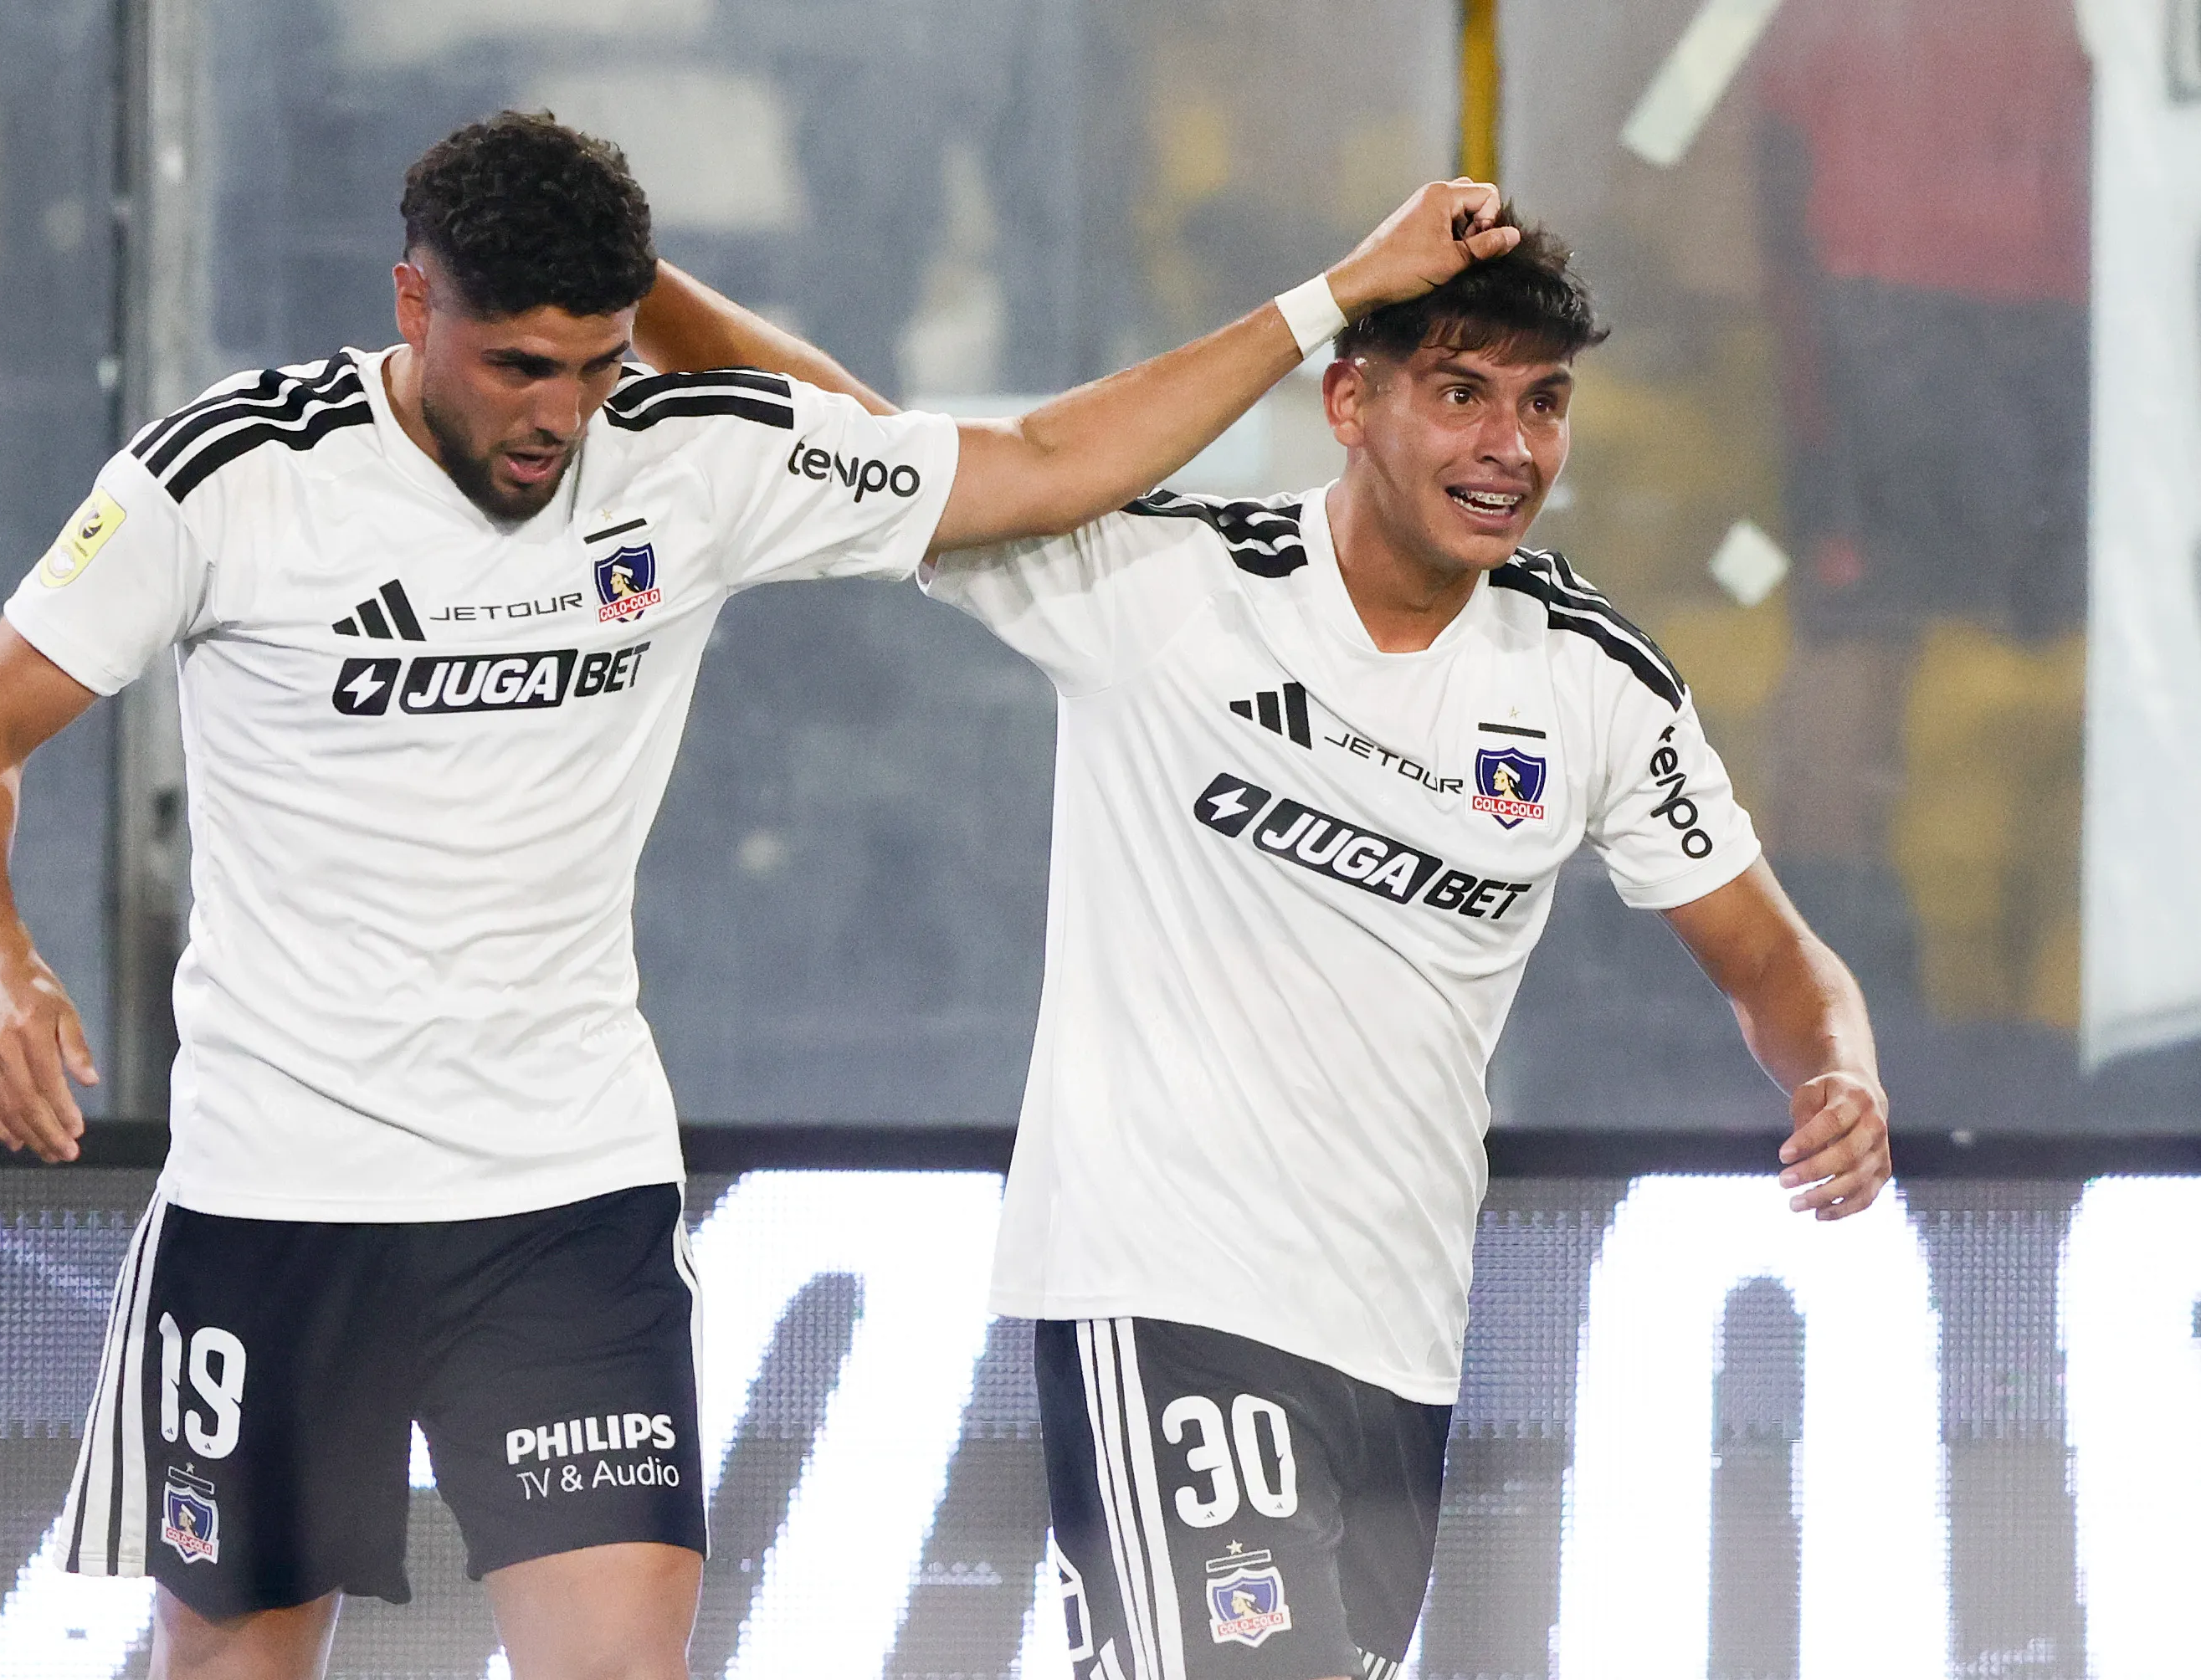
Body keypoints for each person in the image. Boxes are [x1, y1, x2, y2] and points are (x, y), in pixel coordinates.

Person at [0, 106, 1516, 1679]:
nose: (558, 414)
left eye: (600, 364)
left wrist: (1335, 296)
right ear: (416, 303)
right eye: (518, 367)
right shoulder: (235, 473)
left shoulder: (696, 460)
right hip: (277, 1193)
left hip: (560, 1198)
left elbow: (1041, 466)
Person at [635, 211, 1892, 1679]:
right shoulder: (1167, 587)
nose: (1510, 446)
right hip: (1162, 1292)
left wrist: (1842, 1070)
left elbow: (1772, 959)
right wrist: (636, 281)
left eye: (1544, 402)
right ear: (1350, 401)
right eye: (1463, 391)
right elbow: (859, 435)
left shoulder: (1591, 683)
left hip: (1399, 1351)